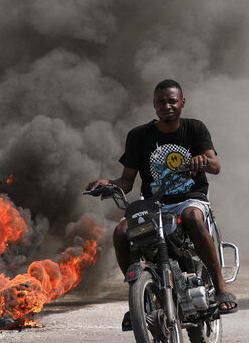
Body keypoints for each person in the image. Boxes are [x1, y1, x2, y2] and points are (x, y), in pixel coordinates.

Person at [86, 79, 238, 316]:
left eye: (172, 101)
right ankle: (138, 300)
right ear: (154, 106)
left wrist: (203, 161)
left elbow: (216, 166)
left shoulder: (195, 128)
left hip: (190, 199)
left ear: (182, 103)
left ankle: (221, 286)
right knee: (120, 232)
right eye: (161, 102)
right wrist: (106, 184)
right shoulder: (138, 136)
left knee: (192, 217)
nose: (167, 106)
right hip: (154, 204)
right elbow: (126, 182)